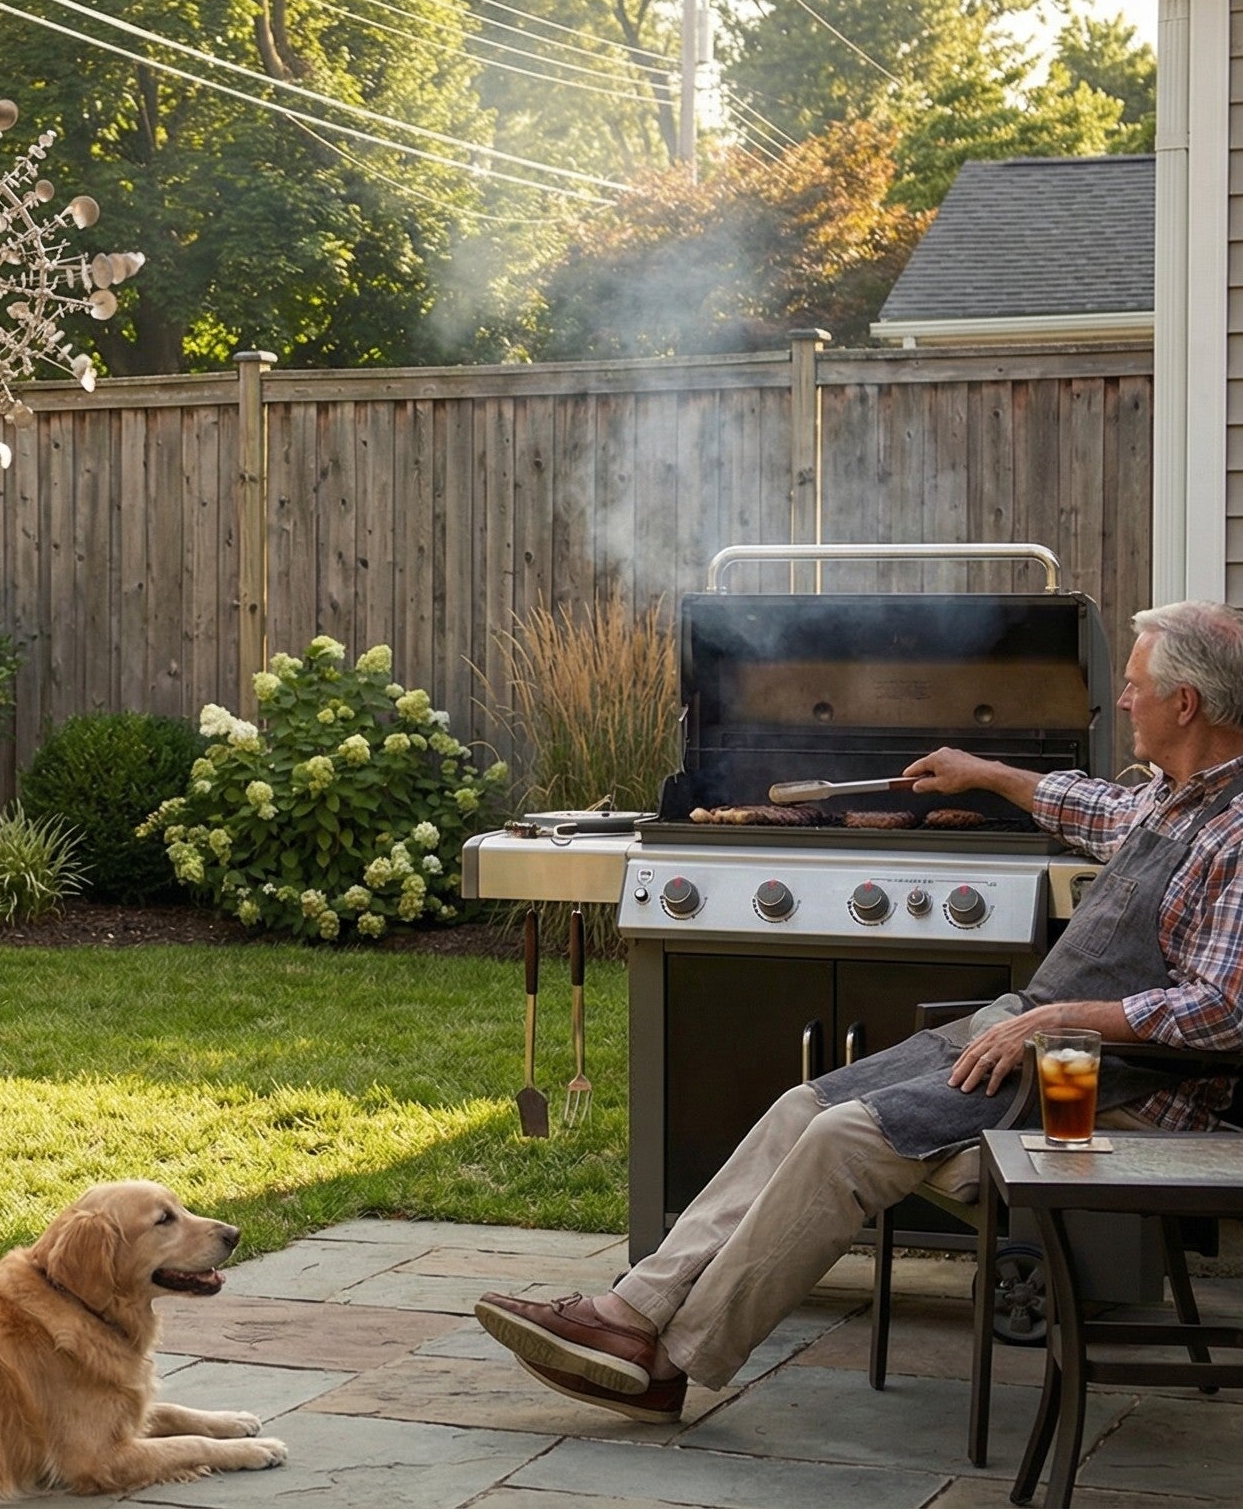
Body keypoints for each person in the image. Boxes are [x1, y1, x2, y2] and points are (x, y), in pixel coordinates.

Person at [475, 599, 1243, 1423]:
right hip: (1033, 1042)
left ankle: (676, 1361)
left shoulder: (1236, 833)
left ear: (1184, 703)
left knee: (841, 1140)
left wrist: (1051, 1025)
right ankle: (628, 1316)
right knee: (803, 1103)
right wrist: (981, 772)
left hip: (1120, 1092)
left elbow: (1223, 1013)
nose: (1122, 702)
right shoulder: (1174, 797)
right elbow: (1099, 811)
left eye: (1132, 689)